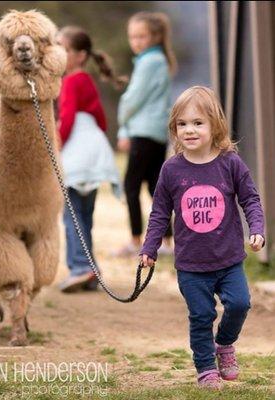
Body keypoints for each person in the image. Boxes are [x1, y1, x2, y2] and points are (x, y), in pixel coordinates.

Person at [140, 86, 265, 389]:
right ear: (174, 129)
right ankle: (206, 368)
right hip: (191, 265)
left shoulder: (230, 163)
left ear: (215, 126)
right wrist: (150, 247)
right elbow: (159, 213)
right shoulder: (171, 170)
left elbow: (250, 198)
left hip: (229, 259)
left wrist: (257, 228)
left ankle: (224, 344)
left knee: (240, 304)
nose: (190, 130)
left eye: (198, 123)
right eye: (182, 124)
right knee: (201, 315)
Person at [56, 26, 123, 293]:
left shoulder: (71, 80)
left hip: (77, 157)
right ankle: (91, 269)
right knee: (84, 214)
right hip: (94, 155)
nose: (58, 54)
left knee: (71, 214)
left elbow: (69, 118)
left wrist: (57, 143)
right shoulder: (87, 80)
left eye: (64, 49)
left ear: (80, 55)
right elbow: (102, 121)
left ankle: (79, 267)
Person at [114, 12, 177, 258]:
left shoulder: (149, 62)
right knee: (155, 187)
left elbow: (132, 99)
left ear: (156, 36)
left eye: (141, 36)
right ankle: (167, 241)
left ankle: (135, 239)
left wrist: (122, 123)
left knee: (131, 186)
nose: (136, 41)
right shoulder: (158, 60)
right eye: (133, 36)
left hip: (143, 131)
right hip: (156, 132)